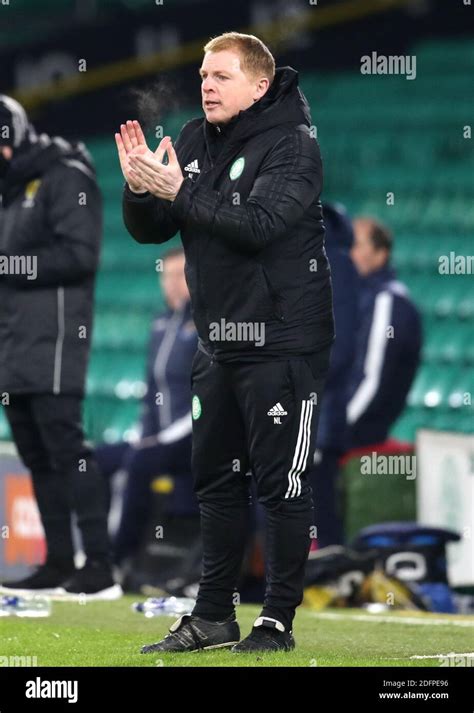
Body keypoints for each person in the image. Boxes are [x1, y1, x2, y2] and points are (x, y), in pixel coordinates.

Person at [117, 32, 334, 653]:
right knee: (215, 481)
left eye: (221, 76)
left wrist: (176, 190)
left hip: (283, 341)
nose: (206, 85)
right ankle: (213, 615)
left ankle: (276, 621)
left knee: (282, 485)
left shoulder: (294, 145)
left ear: (260, 85)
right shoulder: (192, 139)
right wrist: (140, 189)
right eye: (203, 74)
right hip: (217, 341)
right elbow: (152, 230)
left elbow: (260, 225)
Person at [0, 95, 120, 600]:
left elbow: (79, 256)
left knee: (65, 445)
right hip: (12, 336)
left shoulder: (66, 174)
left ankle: (99, 568)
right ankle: (57, 562)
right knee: (34, 450)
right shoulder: (8, 188)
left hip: (54, 335)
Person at [95, 247, 199, 572]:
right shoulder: (159, 324)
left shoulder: (204, 325)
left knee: (139, 463)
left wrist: (162, 440)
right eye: (166, 276)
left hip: (191, 438)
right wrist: (144, 434)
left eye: (179, 275)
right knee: (93, 460)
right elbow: (151, 393)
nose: (172, 284)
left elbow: (204, 398)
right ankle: (91, 554)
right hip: (156, 438)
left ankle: (118, 557)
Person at [308, 203, 358, 548]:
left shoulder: (333, 263)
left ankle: (328, 572)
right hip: (306, 399)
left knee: (318, 497)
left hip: (320, 408)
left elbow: (338, 347)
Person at [347, 217, 422, 448]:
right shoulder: (348, 297)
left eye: (357, 245)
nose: (347, 253)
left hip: (356, 443)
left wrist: (329, 431)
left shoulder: (388, 301)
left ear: (381, 255)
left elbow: (371, 380)